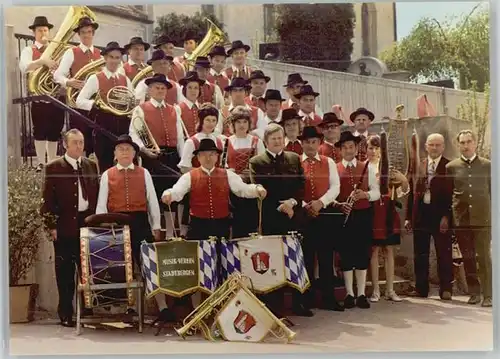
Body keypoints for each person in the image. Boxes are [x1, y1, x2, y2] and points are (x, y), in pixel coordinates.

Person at [96, 135, 174, 321]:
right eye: (121, 149)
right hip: (116, 222)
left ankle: (162, 307)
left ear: (134, 153)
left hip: (140, 222)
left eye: (128, 149)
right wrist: (101, 227)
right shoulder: (108, 174)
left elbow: (152, 201)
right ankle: (130, 307)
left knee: (149, 263)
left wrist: (156, 225)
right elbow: (101, 203)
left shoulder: (144, 173)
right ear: (115, 154)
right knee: (124, 265)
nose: (124, 152)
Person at [249, 123, 313, 318]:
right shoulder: (256, 162)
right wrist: (280, 206)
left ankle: (299, 303)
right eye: (273, 139)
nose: (277, 141)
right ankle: (273, 306)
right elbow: (258, 188)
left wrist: (292, 203)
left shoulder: (294, 158)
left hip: (293, 216)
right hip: (271, 218)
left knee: (297, 260)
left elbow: (302, 185)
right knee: (273, 261)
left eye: (280, 138)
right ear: (266, 141)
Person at [40, 129, 99, 327]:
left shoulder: (91, 165)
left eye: (81, 142)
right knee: (65, 272)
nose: (79, 146)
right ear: (65, 145)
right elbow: (47, 200)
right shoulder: (54, 167)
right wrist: (51, 226)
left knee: (87, 269)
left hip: (87, 224)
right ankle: (66, 312)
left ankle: (88, 309)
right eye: (75, 143)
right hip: (64, 225)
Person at [162, 138, 267, 240]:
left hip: (222, 225)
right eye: (204, 155)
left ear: (217, 156)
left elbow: (243, 189)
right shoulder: (189, 176)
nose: (208, 158)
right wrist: (169, 194)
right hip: (198, 226)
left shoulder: (227, 174)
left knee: (221, 255)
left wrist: (257, 189)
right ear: (198, 157)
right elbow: (177, 191)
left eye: (211, 154)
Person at [129, 74, 185, 238]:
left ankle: (169, 234)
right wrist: (144, 150)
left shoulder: (174, 109)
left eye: (163, 88)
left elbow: (180, 136)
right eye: (156, 88)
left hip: (172, 156)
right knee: (152, 195)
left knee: (171, 196)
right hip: (152, 156)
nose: (160, 91)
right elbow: (134, 133)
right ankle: (155, 232)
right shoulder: (141, 109)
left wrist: (182, 160)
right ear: (150, 90)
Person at [333, 131, 380, 309]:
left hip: (363, 214)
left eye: (351, 147)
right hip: (344, 215)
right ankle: (349, 294)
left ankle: (361, 293)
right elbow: (331, 193)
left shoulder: (367, 167)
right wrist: (339, 204)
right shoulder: (335, 168)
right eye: (344, 147)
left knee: (362, 253)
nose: (348, 150)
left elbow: (376, 192)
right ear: (340, 150)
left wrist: (365, 194)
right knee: (346, 254)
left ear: (356, 148)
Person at [298, 126, 343, 311]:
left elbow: (335, 187)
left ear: (319, 143)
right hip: (303, 213)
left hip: (324, 214)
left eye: (314, 142)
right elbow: (292, 187)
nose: (310, 145)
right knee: (306, 257)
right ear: (302, 143)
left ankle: (328, 298)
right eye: (307, 142)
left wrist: (321, 203)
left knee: (325, 256)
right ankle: (306, 300)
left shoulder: (328, 162)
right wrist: (305, 205)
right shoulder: (295, 162)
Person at [446, 130, 492, 307]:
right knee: (468, 257)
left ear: (475, 143)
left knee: (484, 258)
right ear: (459, 145)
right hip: (462, 220)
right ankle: (474, 293)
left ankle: (488, 294)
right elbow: (450, 194)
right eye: (462, 143)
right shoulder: (451, 167)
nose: (465, 146)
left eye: (469, 142)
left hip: (483, 219)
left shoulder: (487, 165)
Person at [405, 133, 453, 300]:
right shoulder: (419, 165)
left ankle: (446, 289)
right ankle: (421, 288)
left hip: (440, 218)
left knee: (443, 253)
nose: (434, 148)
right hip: (421, 216)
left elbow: (452, 196)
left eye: (437, 145)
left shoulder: (449, 167)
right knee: (420, 254)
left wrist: (447, 216)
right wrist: (408, 217)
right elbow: (412, 193)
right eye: (431, 145)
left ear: (443, 147)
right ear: (425, 146)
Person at [75, 41, 134, 173]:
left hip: (123, 125)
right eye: (111, 57)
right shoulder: (95, 78)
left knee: (124, 165)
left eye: (117, 58)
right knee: (105, 166)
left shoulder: (126, 80)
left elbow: (132, 102)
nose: (114, 61)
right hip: (103, 125)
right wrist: (96, 105)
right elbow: (79, 100)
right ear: (105, 58)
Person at [19, 16, 65, 171]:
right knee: (40, 129)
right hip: (39, 96)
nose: (43, 33)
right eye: (40, 30)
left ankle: (51, 161)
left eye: (45, 30)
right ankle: (40, 162)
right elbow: (25, 67)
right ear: (34, 33)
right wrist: (43, 61)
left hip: (56, 95)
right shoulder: (29, 50)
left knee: (55, 130)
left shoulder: (56, 50)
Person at [366, 135, 407, 303]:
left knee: (389, 250)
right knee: (374, 250)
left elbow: (403, 191)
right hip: (373, 212)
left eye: (377, 148)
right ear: (366, 149)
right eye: (370, 148)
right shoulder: (365, 167)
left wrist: (402, 180)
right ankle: (375, 290)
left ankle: (390, 290)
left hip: (389, 212)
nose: (374, 151)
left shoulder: (389, 168)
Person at [53, 16, 101, 157]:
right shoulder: (71, 52)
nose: (87, 35)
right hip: (77, 103)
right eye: (84, 32)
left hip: (95, 103)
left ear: (93, 33)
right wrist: (69, 82)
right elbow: (58, 75)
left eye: (89, 32)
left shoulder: (100, 54)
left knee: (96, 140)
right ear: (79, 35)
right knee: (79, 139)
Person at [223, 106, 266, 238]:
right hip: (233, 190)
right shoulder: (227, 141)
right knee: (235, 225)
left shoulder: (256, 141)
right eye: (238, 122)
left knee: (251, 224)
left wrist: (253, 172)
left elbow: (263, 165)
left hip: (251, 188)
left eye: (244, 122)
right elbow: (222, 166)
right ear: (233, 124)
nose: (242, 125)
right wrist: (231, 172)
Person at [177, 71, 206, 137]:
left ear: (199, 90)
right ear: (185, 89)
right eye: (190, 87)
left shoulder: (203, 108)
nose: (193, 91)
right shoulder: (178, 108)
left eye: (196, 88)